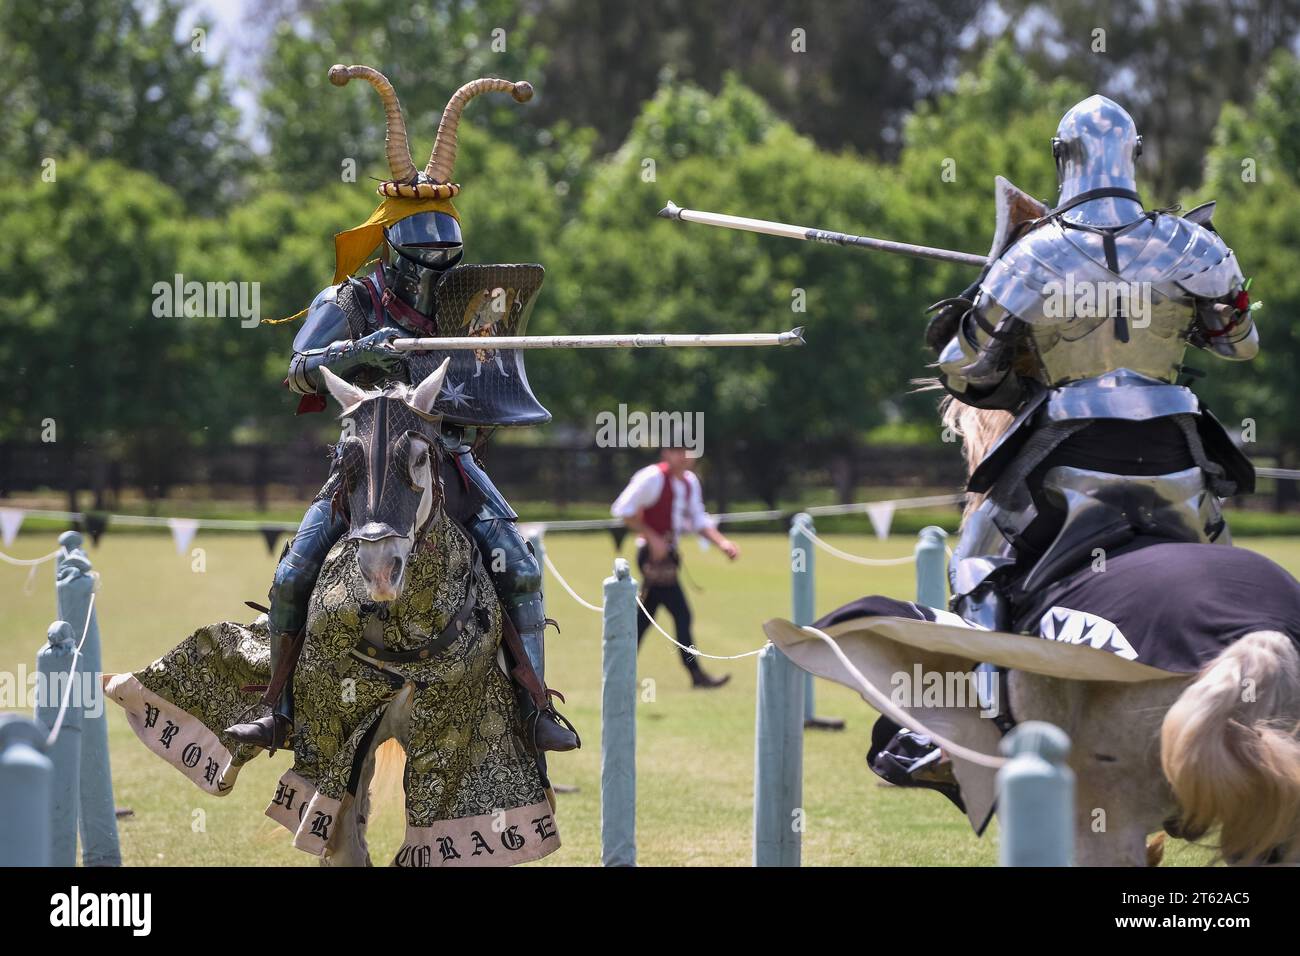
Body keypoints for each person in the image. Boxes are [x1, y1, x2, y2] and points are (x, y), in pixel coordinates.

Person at [875, 93, 1260, 799]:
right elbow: (1239, 343)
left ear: (1063, 159)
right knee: (1222, 572)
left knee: (978, 558)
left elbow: (964, 371)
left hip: (1069, 458)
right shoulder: (1192, 246)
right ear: (1133, 155)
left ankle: (972, 734)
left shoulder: (1037, 254)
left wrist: (1005, 320)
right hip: (1177, 456)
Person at [225, 66, 579, 761]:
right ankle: (277, 709)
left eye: (446, 261)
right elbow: (297, 369)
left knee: (518, 563)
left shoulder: (465, 305)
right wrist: (363, 351)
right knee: (294, 573)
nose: (434, 275)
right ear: (392, 248)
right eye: (422, 260)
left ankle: (537, 706)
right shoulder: (347, 300)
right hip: (363, 460)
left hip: (442, 455)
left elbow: (485, 388)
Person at [611, 447, 739, 688]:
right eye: (679, 450)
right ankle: (695, 674)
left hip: (669, 558)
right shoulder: (652, 478)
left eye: (690, 450)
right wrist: (652, 537)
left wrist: (722, 543)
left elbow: (699, 520)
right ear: (666, 453)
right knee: (681, 614)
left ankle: (620, 672)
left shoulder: (690, 482)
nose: (686, 456)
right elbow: (622, 510)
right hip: (652, 558)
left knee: (644, 619)